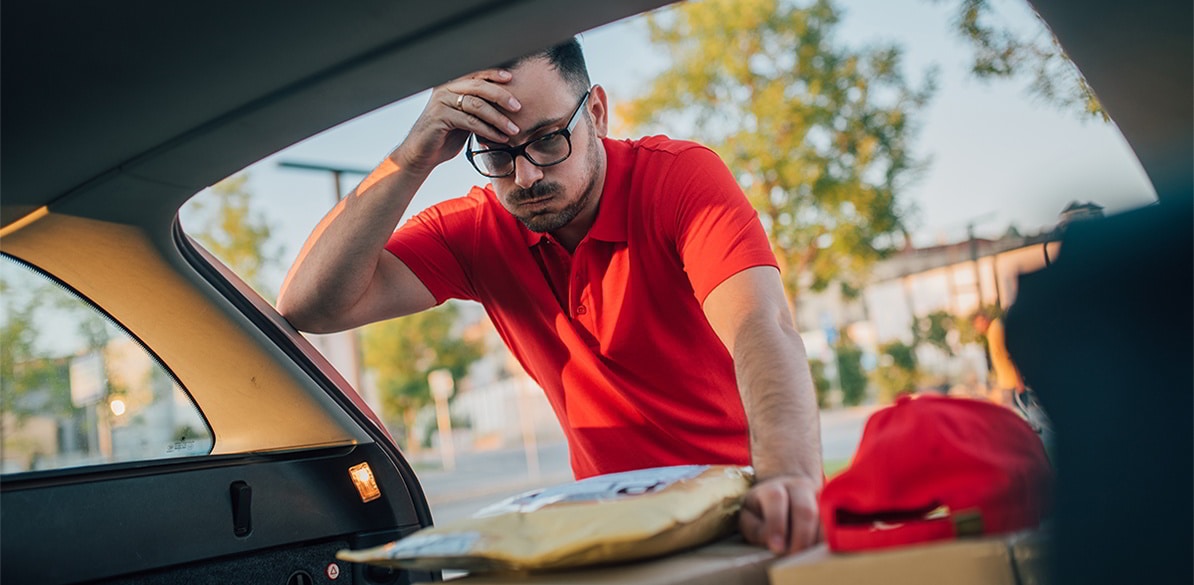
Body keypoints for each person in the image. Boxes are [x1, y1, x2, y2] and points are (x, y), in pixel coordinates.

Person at [278, 38, 823, 556]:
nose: (526, 176)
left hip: (747, 505)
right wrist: (413, 156)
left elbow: (762, 325)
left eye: (546, 139)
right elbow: (310, 306)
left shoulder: (678, 178)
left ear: (598, 113)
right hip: (618, 534)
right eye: (496, 152)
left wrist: (788, 476)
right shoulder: (476, 231)